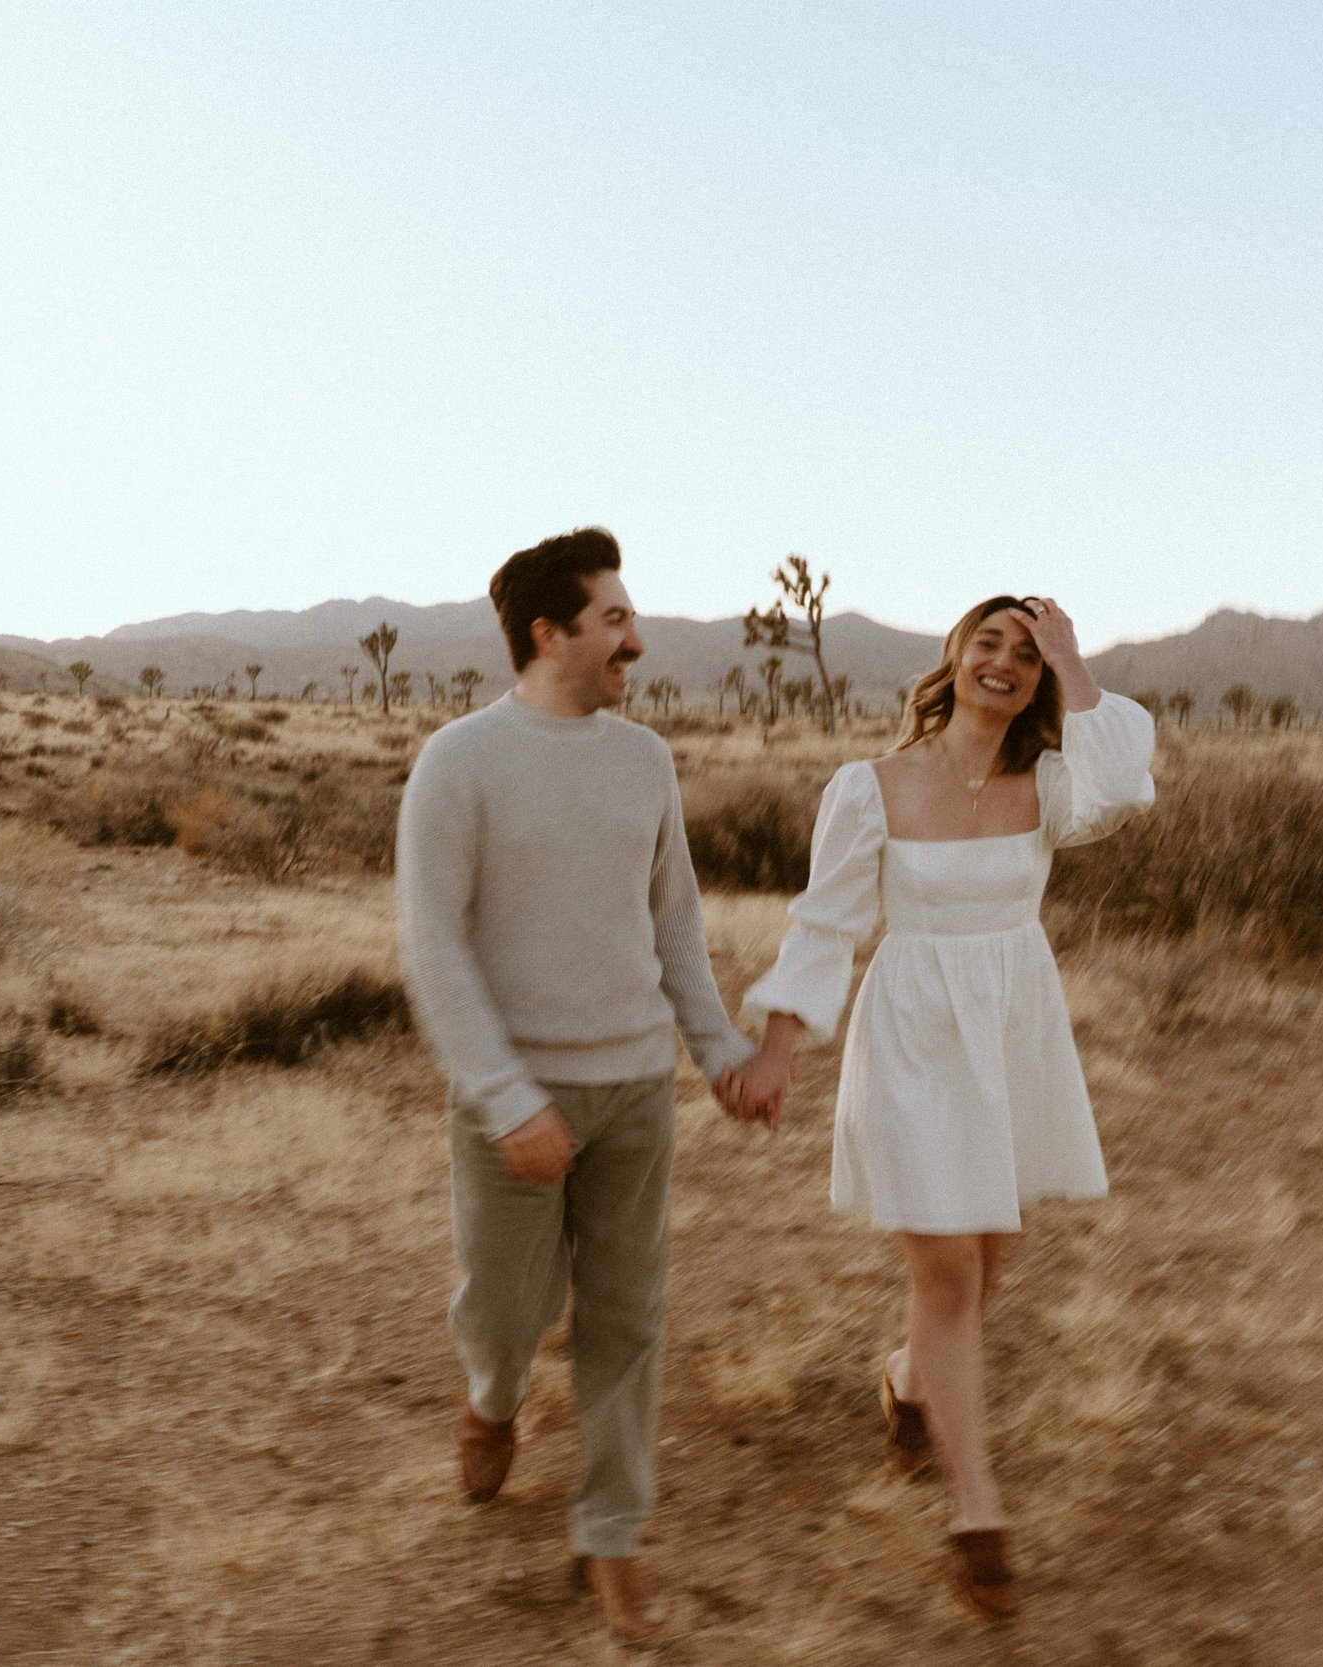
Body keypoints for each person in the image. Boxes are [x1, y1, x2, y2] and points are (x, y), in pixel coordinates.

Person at [722, 594, 1154, 1623]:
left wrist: (1075, 660)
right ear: (953, 659)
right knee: (949, 1265)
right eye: (986, 642)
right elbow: (825, 923)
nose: (1003, 661)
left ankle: (911, 1376)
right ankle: (975, 1504)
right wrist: (777, 1045)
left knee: (991, 1255)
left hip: (1011, 1026)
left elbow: (1123, 789)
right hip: (913, 1030)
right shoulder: (868, 788)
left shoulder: (1051, 783)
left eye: (1025, 652)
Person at [396, 527, 757, 1645]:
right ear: (549, 633)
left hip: (634, 1086)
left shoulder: (643, 760)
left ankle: (612, 1531)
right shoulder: (459, 760)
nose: (635, 642)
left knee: (625, 1318)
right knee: (506, 1311)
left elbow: (675, 928)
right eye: (614, 621)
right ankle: (492, 1396)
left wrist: (722, 1051)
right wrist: (507, 1097)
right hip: (514, 1100)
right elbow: (434, 945)